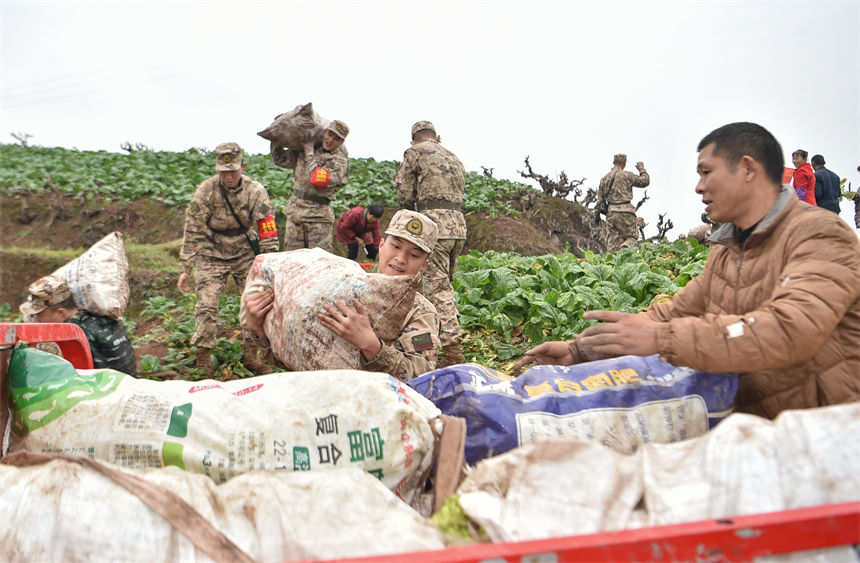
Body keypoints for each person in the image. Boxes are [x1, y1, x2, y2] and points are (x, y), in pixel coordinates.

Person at [515, 122, 860, 420]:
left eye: (706, 173)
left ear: (748, 169)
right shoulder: (727, 252)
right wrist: (578, 351)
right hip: (753, 430)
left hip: (828, 434)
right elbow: (670, 314)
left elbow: (790, 329)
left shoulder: (819, 233)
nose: (698, 187)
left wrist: (661, 340)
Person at [245, 209, 442, 381]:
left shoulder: (420, 312)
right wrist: (259, 330)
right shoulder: (340, 286)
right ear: (381, 245)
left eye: (414, 255)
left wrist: (372, 346)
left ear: (424, 265)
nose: (400, 259)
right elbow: (294, 358)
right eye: (396, 246)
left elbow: (419, 380)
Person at [178, 142, 280, 377]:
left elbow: (267, 230)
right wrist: (185, 267)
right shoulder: (206, 191)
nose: (228, 177)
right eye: (223, 172)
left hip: (244, 250)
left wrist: (269, 264)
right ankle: (203, 359)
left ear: (242, 167)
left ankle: (251, 353)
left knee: (255, 302)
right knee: (207, 304)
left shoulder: (255, 191)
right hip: (211, 251)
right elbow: (192, 228)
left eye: (232, 171)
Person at [395, 120, 466, 367]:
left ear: (413, 140)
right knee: (445, 285)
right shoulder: (453, 156)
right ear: (438, 137)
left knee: (437, 289)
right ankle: (442, 335)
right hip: (457, 226)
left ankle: (453, 352)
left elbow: (403, 192)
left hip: (435, 226)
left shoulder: (415, 152)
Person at [20, 274, 138, 375]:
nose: (36, 318)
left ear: (61, 313)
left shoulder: (71, 334)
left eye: (39, 314)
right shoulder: (98, 319)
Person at [271, 120, 350, 252]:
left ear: (341, 142)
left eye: (336, 138)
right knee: (292, 260)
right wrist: (276, 137)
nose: (330, 140)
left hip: (318, 219)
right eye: (330, 134)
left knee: (319, 264)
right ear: (325, 132)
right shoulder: (303, 151)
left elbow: (314, 178)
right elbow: (279, 159)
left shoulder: (339, 162)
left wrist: (309, 154)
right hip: (295, 215)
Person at [596, 154, 650, 251]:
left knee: (612, 243)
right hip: (626, 212)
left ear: (614, 162)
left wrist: (596, 218)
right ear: (624, 164)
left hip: (611, 212)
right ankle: (625, 248)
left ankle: (612, 263)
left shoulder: (604, 179)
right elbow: (645, 181)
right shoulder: (627, 175)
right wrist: (642, 169)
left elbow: (599, 201)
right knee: (632, 238)